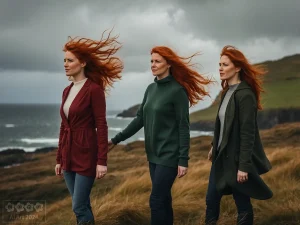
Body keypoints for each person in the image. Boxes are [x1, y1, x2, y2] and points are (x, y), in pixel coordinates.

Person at [109, 46, 212, 225]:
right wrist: (116, 139)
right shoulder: (150, 89)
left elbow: (183, 127)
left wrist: (183, 159)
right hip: (153, 155)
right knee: (164, 200)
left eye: (157, 61)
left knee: (155, 200)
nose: (153, 65)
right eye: (151, 61)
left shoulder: (177, 91)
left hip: (169, 155)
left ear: (169, 64)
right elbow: (139, 119)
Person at [54, 31, 123, 225]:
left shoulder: (94, 90)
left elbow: (101, 126)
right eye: (64, 61)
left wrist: (102, 161)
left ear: (83, 63)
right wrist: (59, 158)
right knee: (82, 205)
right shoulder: (66, 90)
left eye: (70, 60)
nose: (65, 64)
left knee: (78, 206)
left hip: (86, 155)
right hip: (68, 155)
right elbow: (63, 126)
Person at [206, 45, 273, 225]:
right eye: (219, 64)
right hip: (221, 157)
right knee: (211, 200)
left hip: (236, 161)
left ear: (237, 67)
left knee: (242, 203)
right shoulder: (226, 92)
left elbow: (247, 133)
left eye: (225, 64)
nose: (220, 68)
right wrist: (214, 145)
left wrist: (243, 166)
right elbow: (222, 123)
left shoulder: (246, 95)